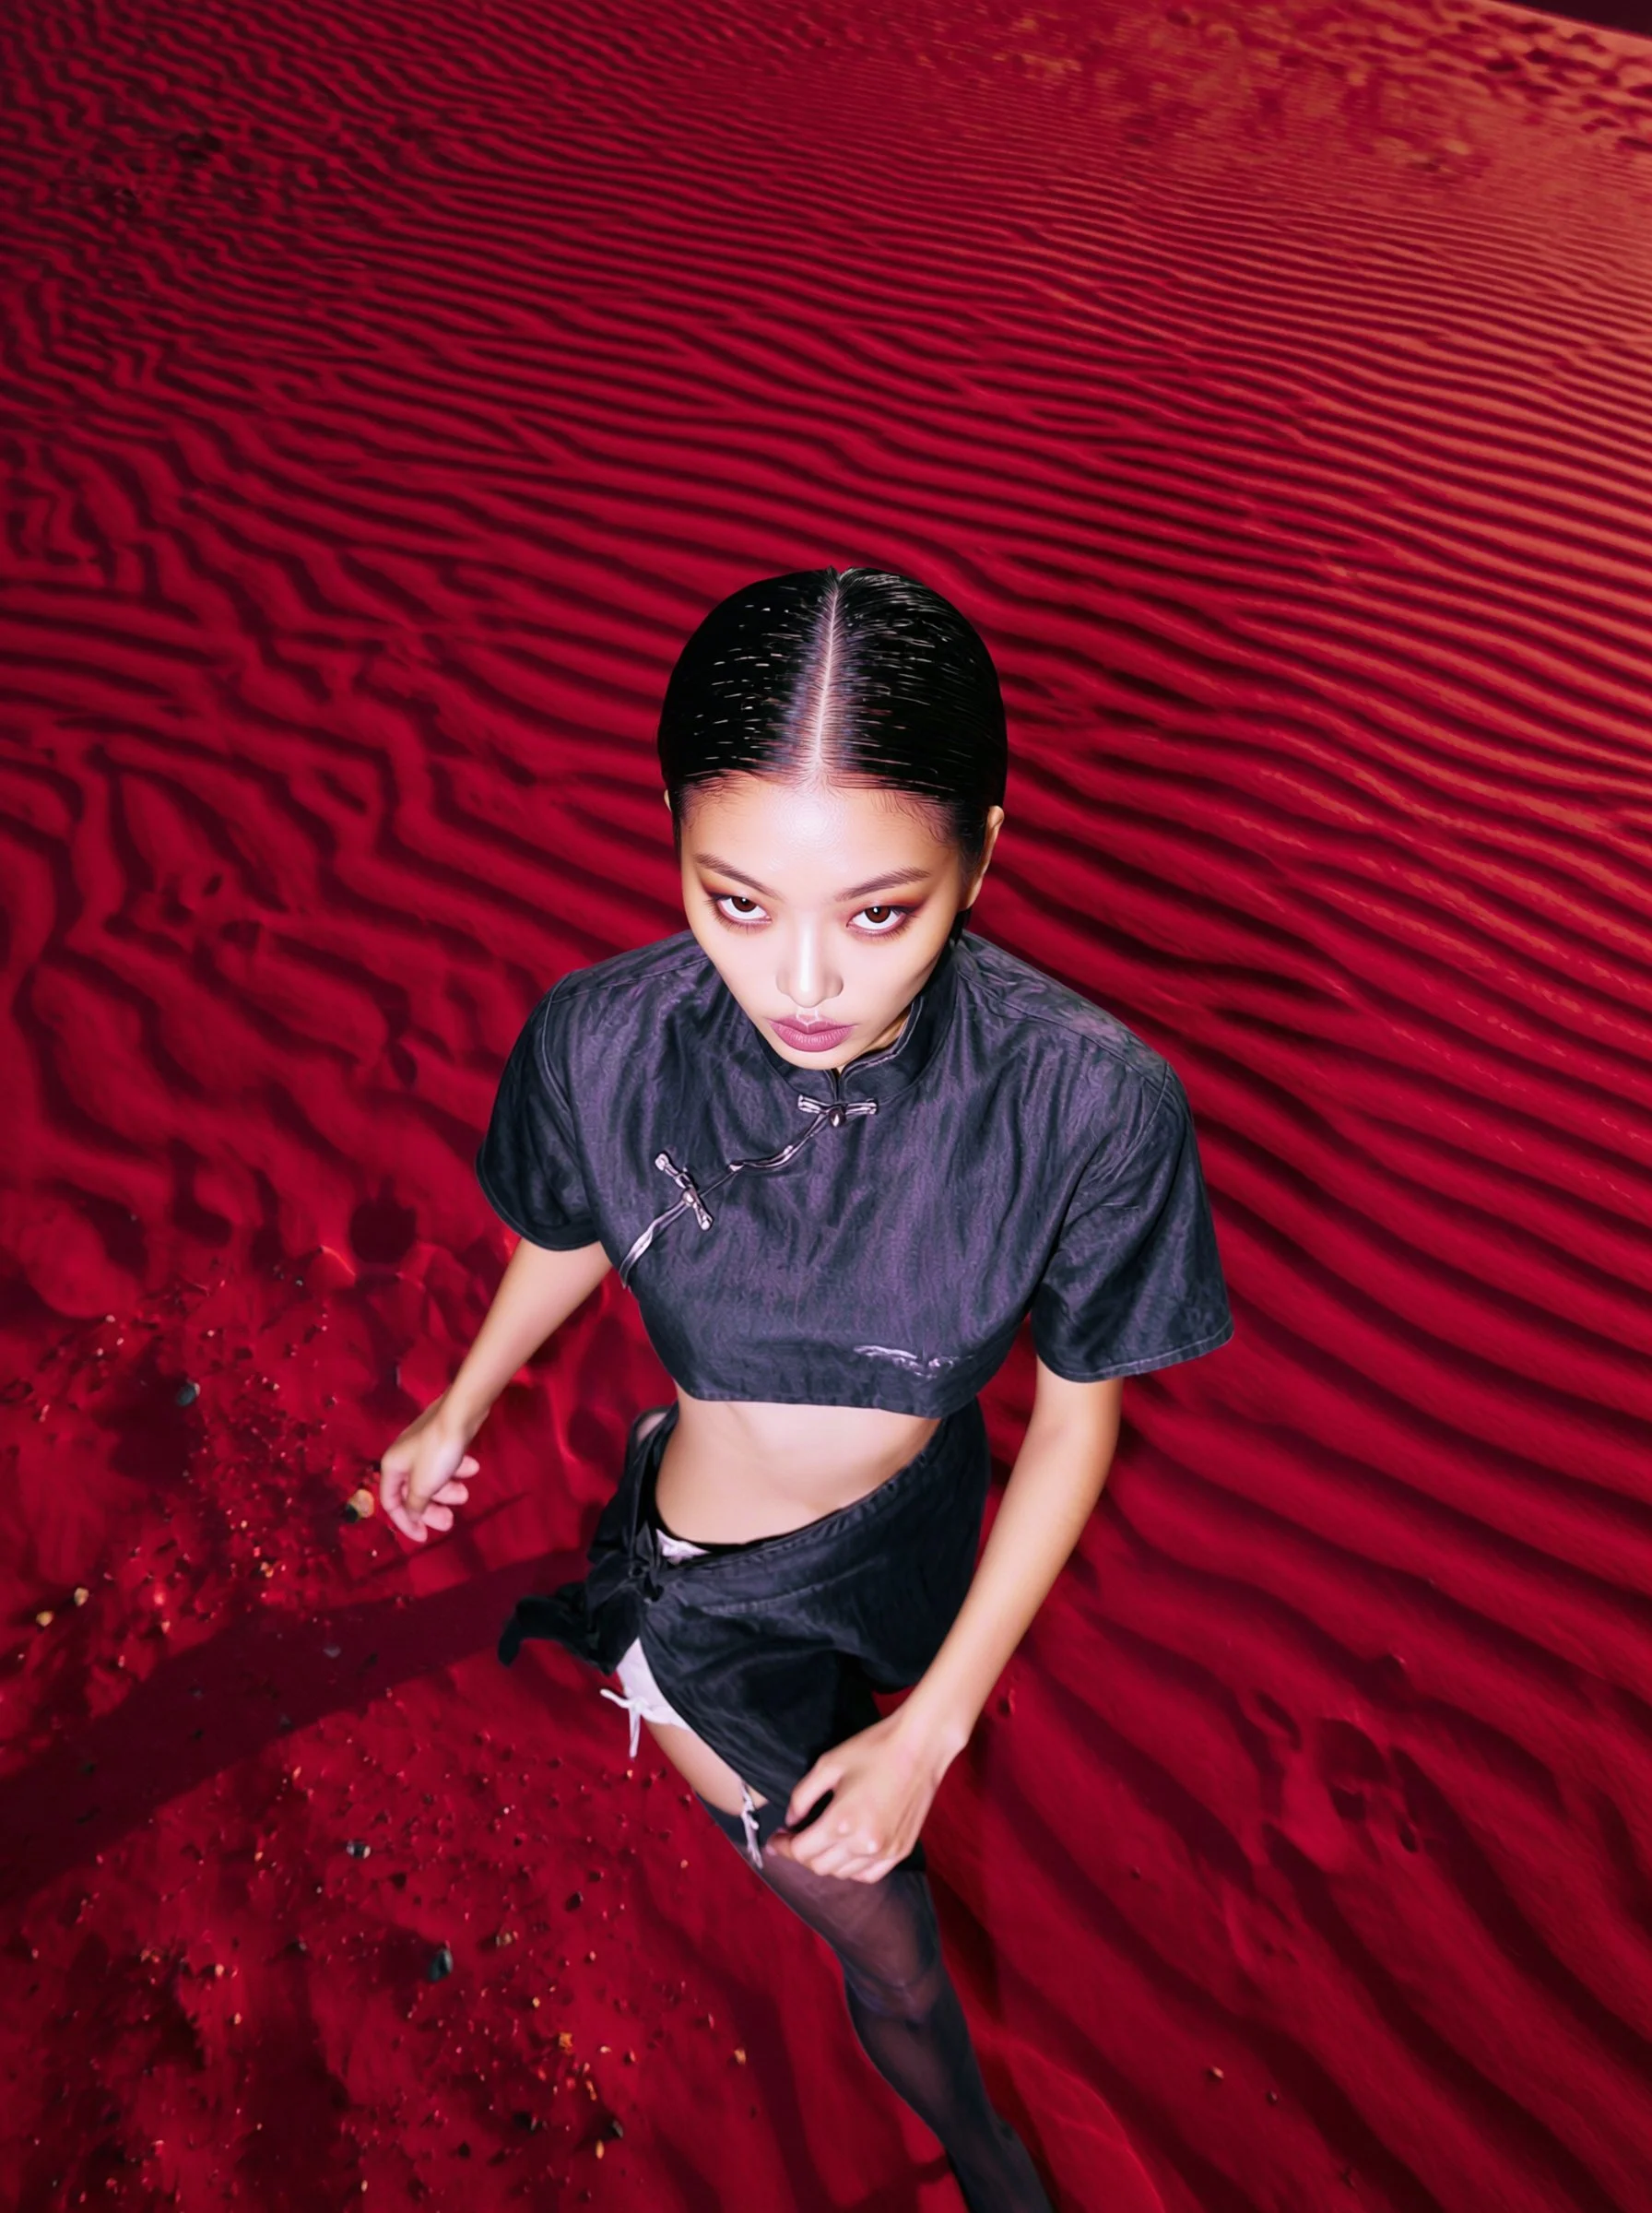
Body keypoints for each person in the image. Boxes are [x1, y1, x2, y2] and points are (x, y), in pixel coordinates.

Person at [377, 566, 1234, 2210]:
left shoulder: (1088, 1103)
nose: (806, 985)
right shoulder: (603, 1040)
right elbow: (578, 1223)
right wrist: (461, 1400)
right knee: (889, 1944)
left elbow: (1076, 1415)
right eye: (737, 899)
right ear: (677, 853)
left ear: (985, 847)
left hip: (926, 1530)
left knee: (895, 1797)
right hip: (723, 1609)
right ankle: (983, 2155)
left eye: (880, 911)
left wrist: (939, 1717)